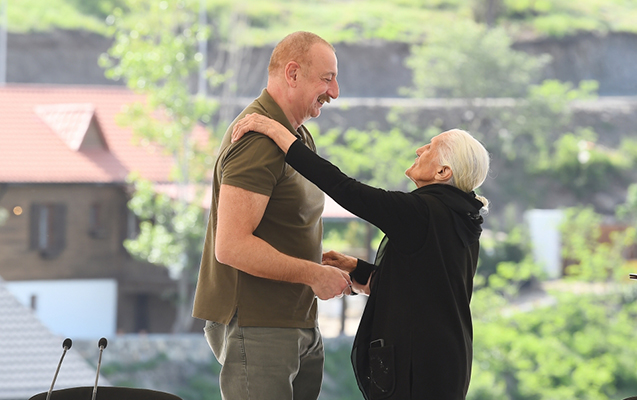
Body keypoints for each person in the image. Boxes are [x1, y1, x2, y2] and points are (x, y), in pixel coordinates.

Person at [231, 113, 490, 400]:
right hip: (445, 363)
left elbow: (345, 188)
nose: (419, 150)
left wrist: (277, 132)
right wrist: (357, 269)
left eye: (430, 148)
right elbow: (420, 287)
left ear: (443, 172)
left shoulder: (423, 212)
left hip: (418, 366)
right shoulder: (459, 218)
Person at [192, 32, 352, 400]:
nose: (334, 92)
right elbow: (231, 246)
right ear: (292, 74)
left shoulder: (295, 138)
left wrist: (321, 265)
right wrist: (313, 274)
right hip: (260, 325)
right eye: (327, 79)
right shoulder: (257, 141)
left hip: (295, 322)